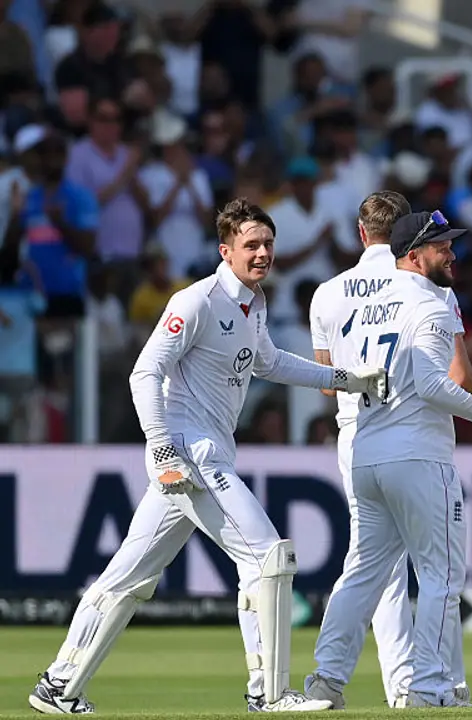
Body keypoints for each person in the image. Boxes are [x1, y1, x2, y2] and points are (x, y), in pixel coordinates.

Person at [28, 198, 389, 715]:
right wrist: (163, 448)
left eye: (267, 243)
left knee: (127, 578)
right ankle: (268, 693)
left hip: (207, 452)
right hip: (188, 452)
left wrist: (346, 379)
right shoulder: (195, 301)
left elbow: (269, 361)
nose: (262, 253)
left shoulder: (254, 302)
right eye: (251, 245)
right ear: (226, 250)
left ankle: (58, 686)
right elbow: (144, 373)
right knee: (267, 557)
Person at [304, 209, 472, 708]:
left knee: (363, 572)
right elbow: (436, 384)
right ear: (412, 254)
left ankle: (326, 679)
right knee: (443, 575)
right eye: (442, 246)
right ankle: (429, 688)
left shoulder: (367, 306)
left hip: (364, 451)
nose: (452, 254)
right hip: (417, 455)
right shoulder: (430, 304)